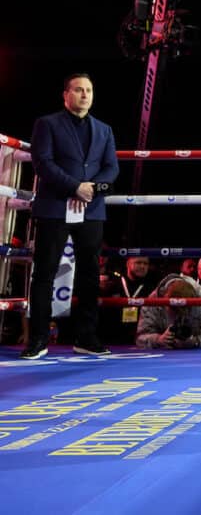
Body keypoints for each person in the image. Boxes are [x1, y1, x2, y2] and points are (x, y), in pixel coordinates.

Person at [21, 73, 119, 359]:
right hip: (55, 205)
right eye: (78, 90)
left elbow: (111, 168)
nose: (85, 94)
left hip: (91, 209)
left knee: (90, 274)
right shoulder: (47, 124)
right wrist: (74, 187)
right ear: (65, 94)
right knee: (44, 273)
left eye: (89, 90)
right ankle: (38, 339)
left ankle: (86, 337)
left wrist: (91, 190)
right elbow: (43, 163)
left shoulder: (104, 129)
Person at [136, 275, 201, 349]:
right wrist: (158, 339)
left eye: (186, 309)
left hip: (199, 353)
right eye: (175, 310)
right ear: (164, 299)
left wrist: (195, 342)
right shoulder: (152, 302)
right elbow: (140, 338)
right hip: (165, 355)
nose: (179, 315)